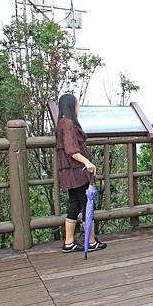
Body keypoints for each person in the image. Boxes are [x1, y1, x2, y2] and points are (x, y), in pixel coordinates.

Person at [55, 93, 107, 253]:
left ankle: (69, 242)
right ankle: (90, 241)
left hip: (69, 172)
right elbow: (71, 149)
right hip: (77, 171)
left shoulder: (61, 123)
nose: (78, 107)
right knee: (87, 205)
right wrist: (87, 162)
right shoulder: (68, 123)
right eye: (77, 104)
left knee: (74, 205)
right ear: (72, 106)